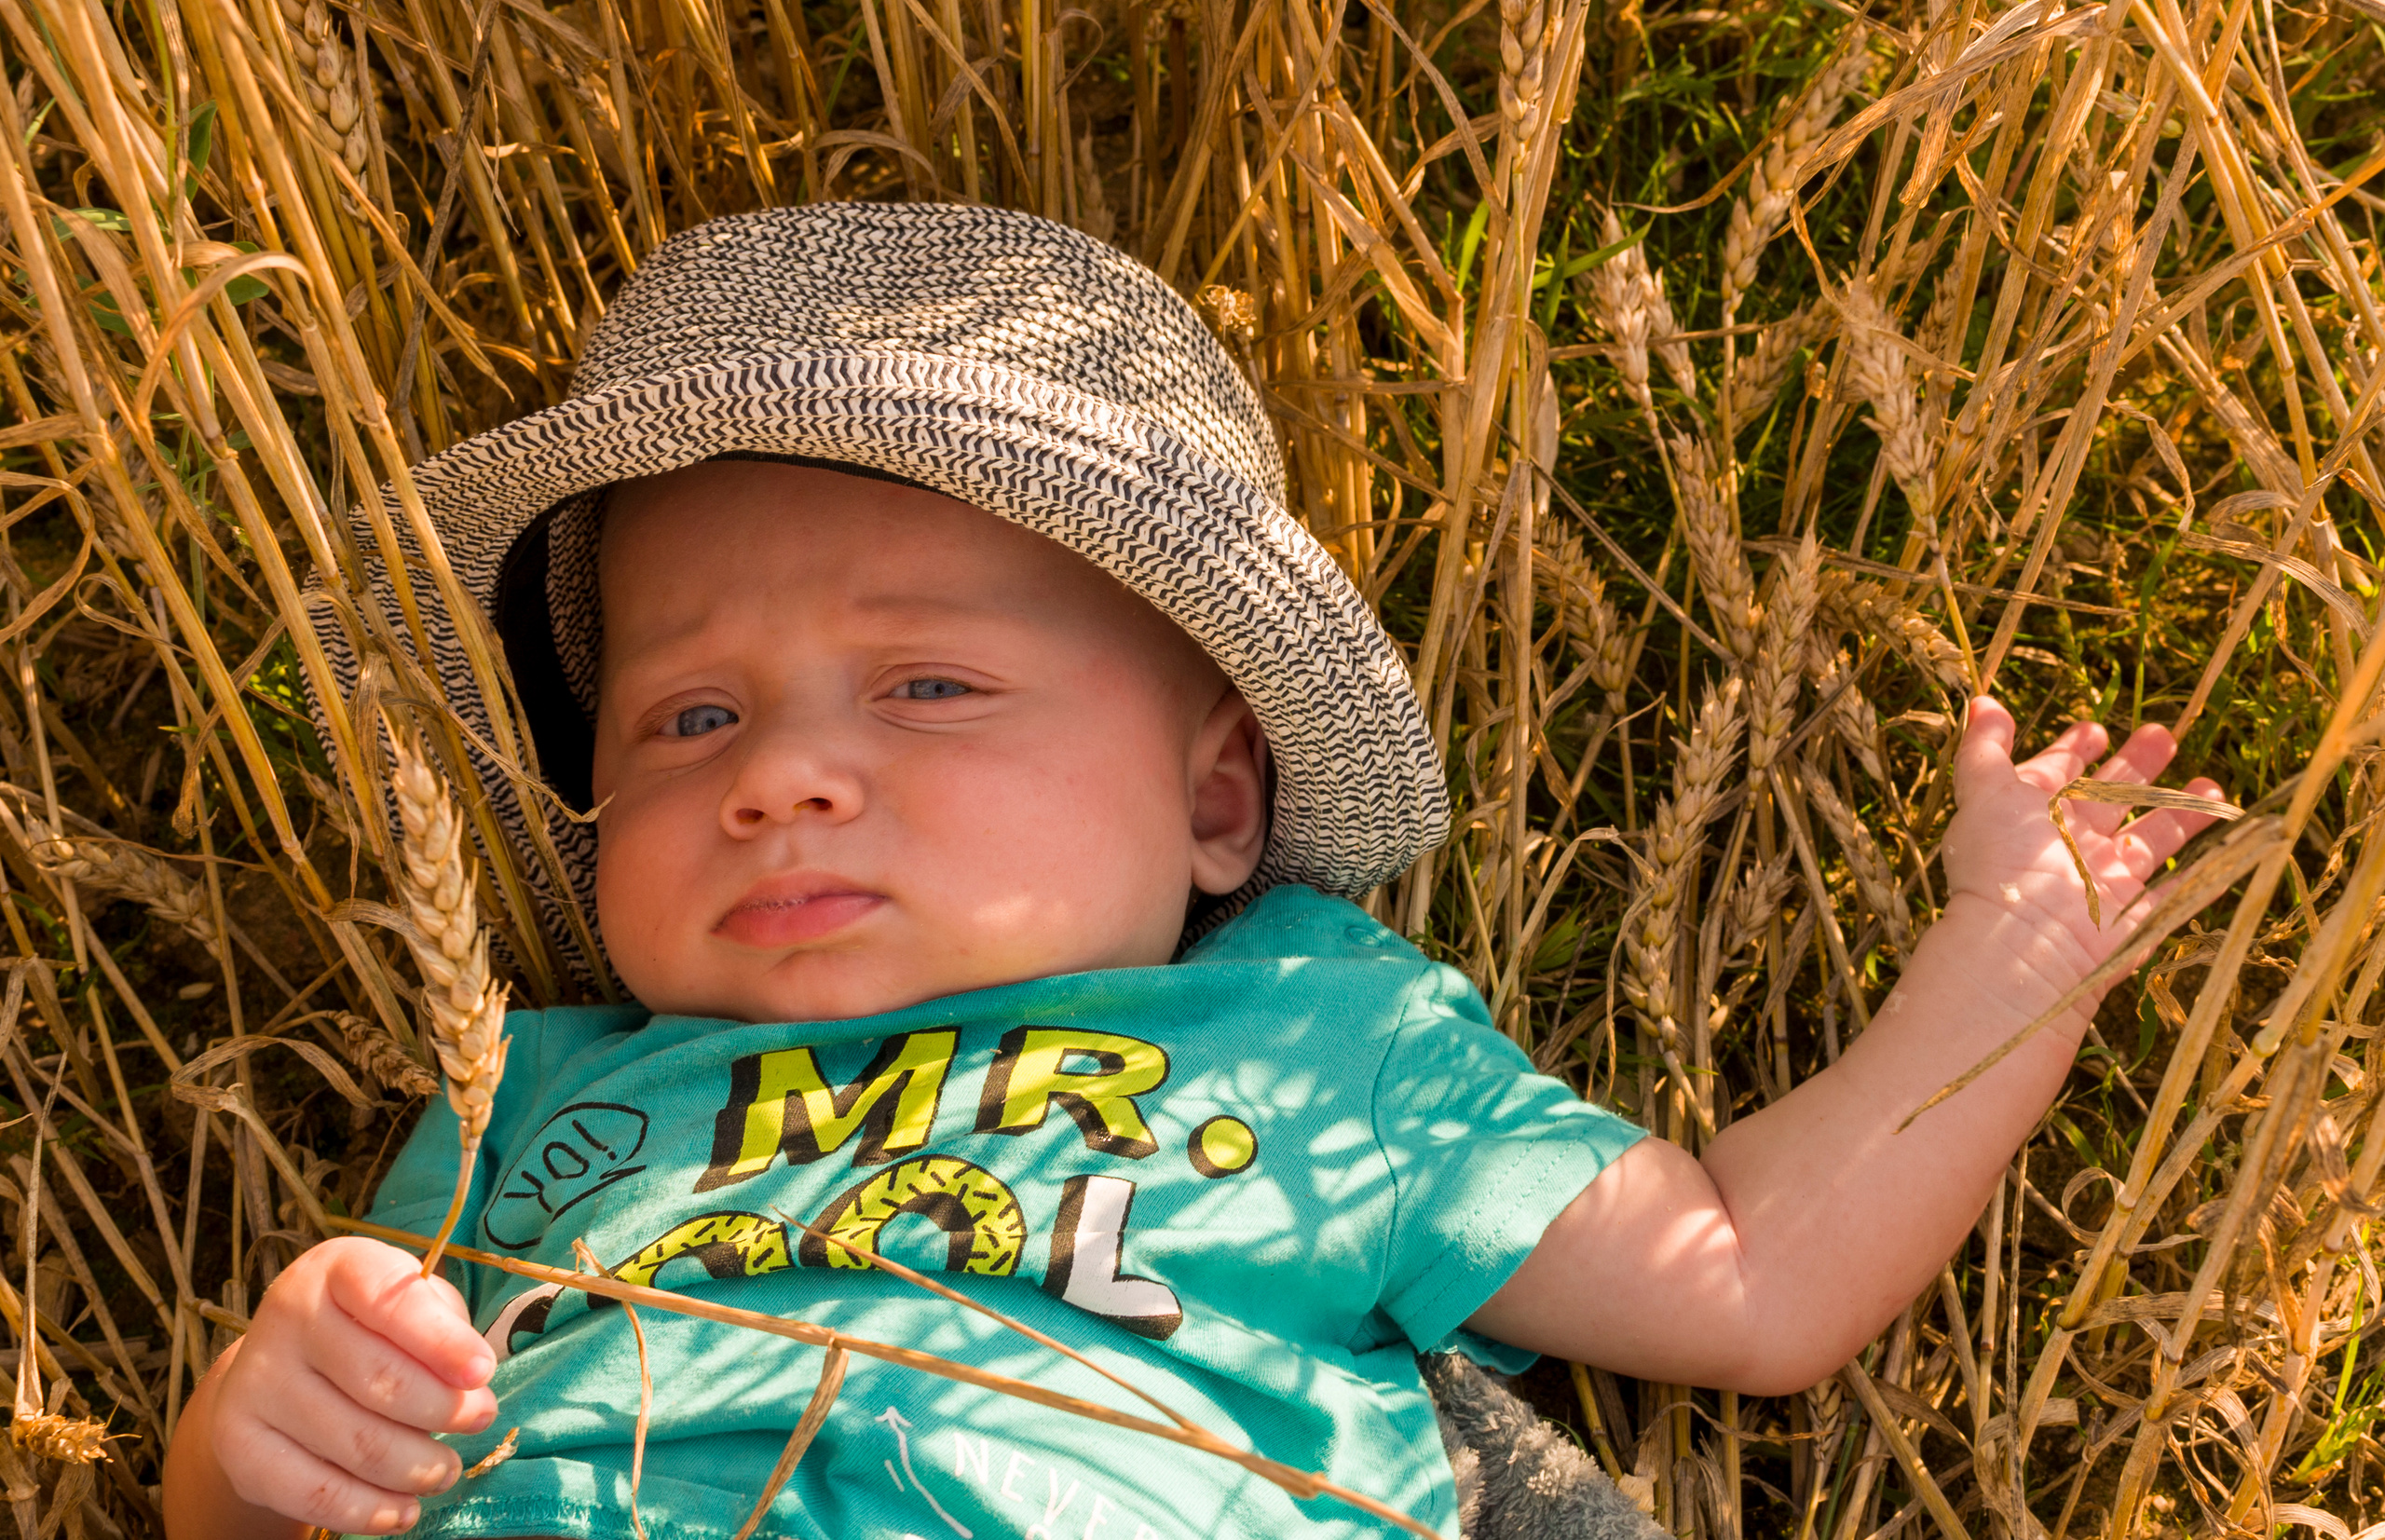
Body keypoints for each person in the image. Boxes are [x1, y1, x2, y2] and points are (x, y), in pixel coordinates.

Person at [161, 204, 2224, 1540]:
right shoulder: (526, 1088)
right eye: (687, 720)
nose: (785, 773)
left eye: (928, 683)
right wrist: (262, 1426)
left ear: (1217, 800)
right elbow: (279, 1502)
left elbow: (1747, 1279)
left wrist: (2009, 947)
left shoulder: (1319, 1044)